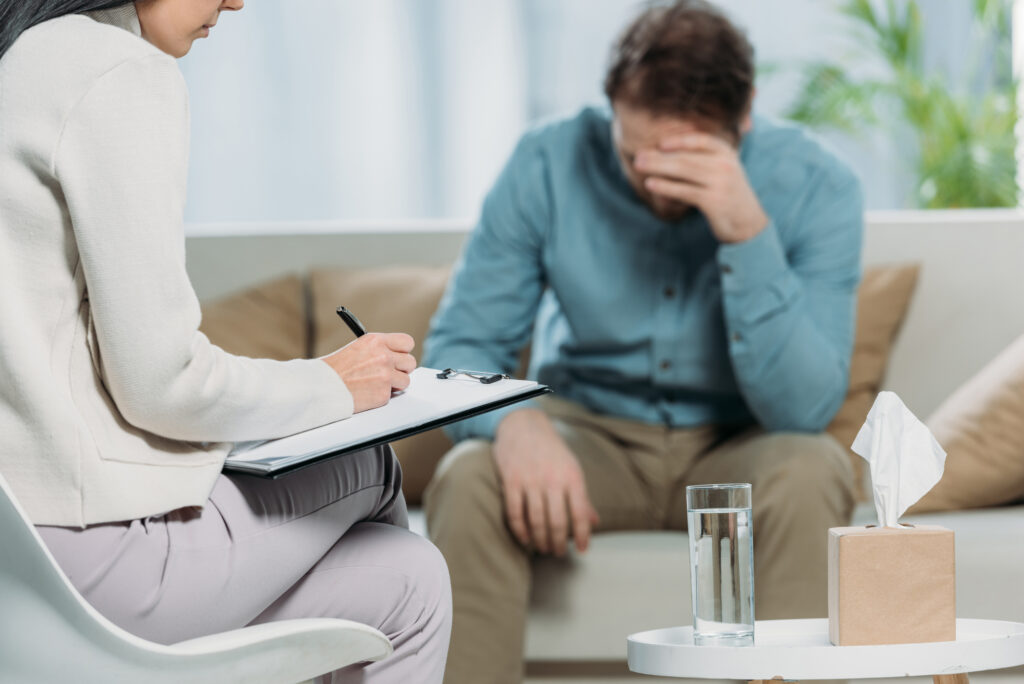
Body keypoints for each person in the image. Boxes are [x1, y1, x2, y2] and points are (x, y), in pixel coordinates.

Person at [0, 2, 450, 682]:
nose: (237, 0)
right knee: (369, 461)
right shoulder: (115, 70)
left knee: (411, 580)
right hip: (92, 566)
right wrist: (335, 384)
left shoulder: (22, 57)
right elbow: (163, 384)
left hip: (21, 568)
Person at [422, 1, 862, 682]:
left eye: (683, 160)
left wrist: (747, 231)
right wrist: (511, 421)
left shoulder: (819, 186)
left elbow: (803, 411)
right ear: (613, 109)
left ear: (742, 116)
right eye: (635, 157)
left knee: (814, 468)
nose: (654, 182)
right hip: (589, 435)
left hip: (737, 446)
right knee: (470, 476)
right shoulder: (547, 161)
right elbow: (459, 346)